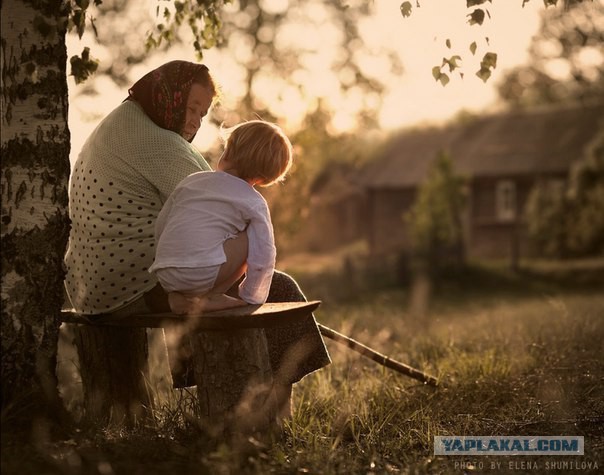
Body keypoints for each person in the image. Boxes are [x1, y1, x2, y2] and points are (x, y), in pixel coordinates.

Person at [64, 60, 330, 406]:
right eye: (191, 108)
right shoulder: (159, 144)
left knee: (205, 270)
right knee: (277, 288)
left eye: (202, 114)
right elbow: (224, 217)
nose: (194, 122)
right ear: (168, 96)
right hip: (131, 287)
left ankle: (238, 395)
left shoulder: (123, 122)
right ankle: (268, 412)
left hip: (89, 286)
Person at [149, 120, 293, 315]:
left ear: (228, 153)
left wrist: (167, 258)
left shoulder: (192, 181)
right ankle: (213, 296)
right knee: (251, 238)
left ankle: (178, 298)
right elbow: (264, 254)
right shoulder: (253, 201)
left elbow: (162, 224)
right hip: (201, 273)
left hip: (165, 272)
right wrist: (252, 296)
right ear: (264, 177)